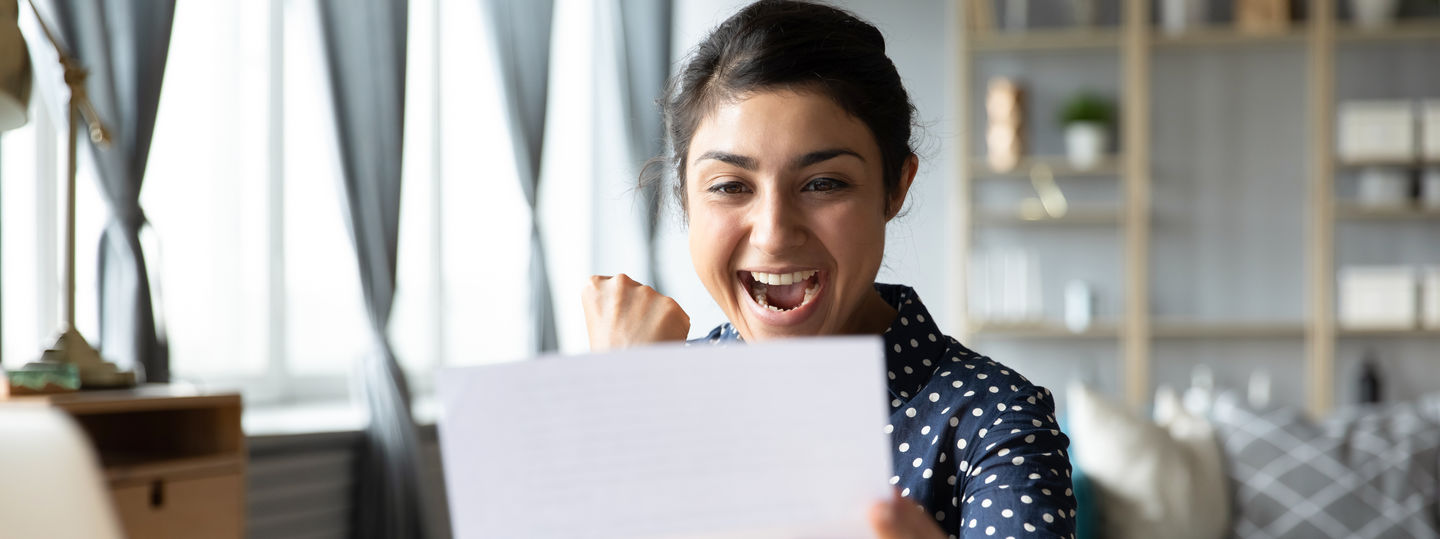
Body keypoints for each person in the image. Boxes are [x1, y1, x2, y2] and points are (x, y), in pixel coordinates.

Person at [581, 1, 1077, 537]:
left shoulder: (995, 420)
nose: (773, 233)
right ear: (684, 197)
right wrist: (624, 407)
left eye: (824, 184)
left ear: (895, 188)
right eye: (729, 186)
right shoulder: (643, 390)